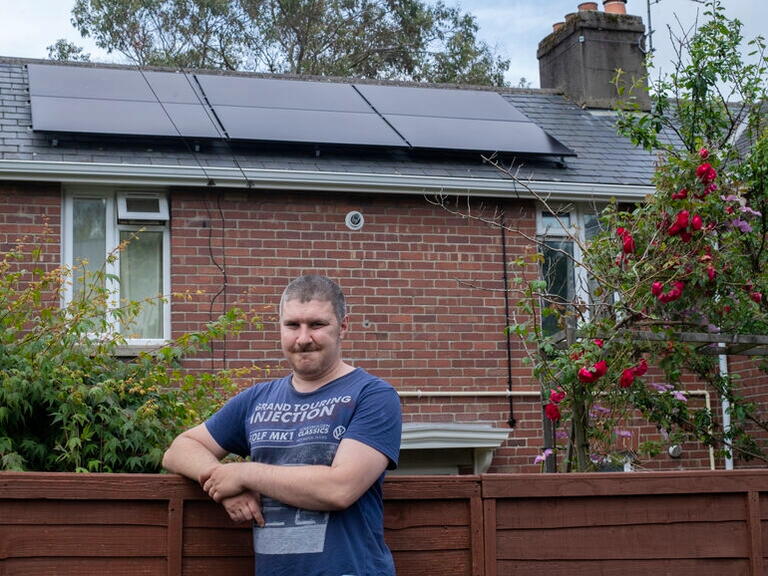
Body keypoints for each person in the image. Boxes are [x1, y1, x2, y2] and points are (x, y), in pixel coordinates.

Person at [163, 274, 402, 576]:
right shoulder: (257, 399)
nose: (303, 339)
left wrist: (245, 473)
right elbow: (179, 449)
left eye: (317, 325)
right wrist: (221, 483)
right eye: (292, 325)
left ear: (343, 326)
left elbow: (339, 489)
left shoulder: (373, 395)